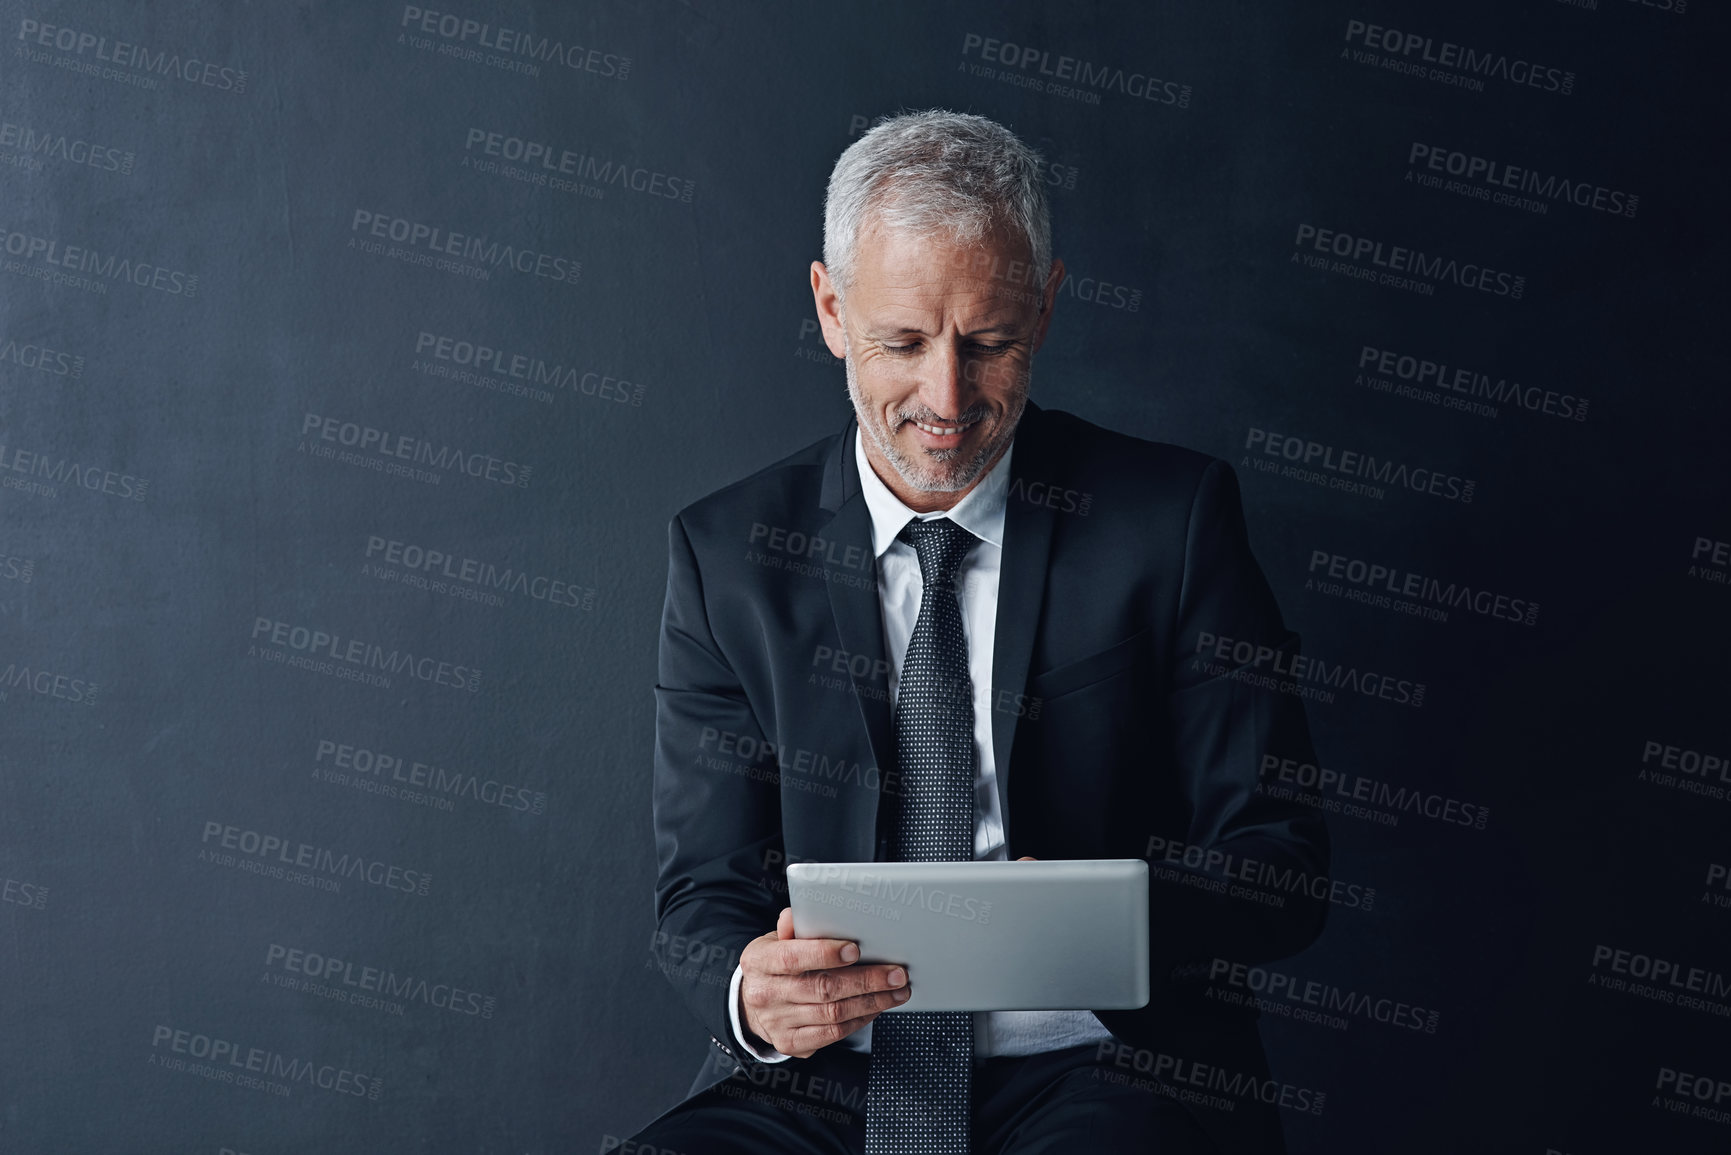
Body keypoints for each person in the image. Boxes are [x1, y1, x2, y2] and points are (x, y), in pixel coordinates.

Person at [628, 109, 1330, 1154]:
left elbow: (1283, 860)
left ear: (1045, 310)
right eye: (903, 342)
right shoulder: (724, 555)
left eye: (990, 341)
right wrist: (752, 996)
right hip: (817, 1085)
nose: (947, 398)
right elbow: (702, 892)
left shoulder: (1171, 523)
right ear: (830, 309)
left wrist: (1106, 926)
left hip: (1103, 1065)